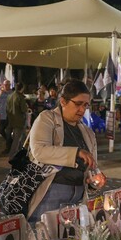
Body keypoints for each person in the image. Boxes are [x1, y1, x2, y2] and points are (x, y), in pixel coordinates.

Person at [24, 79, 98, 223]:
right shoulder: (47, 118)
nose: (82, 110)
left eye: (85, 105)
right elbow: (39, 151)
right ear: (63, 101)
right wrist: (76, 152)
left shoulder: (88, 132)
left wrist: (93, 181)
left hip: (78, 197)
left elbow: (92, 166)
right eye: (78, 104)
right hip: (50, 193)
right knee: (43, 237)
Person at [6, 82, 29, 156]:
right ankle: (13, 154)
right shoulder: (20, 97)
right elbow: (23, 109)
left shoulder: (9, 96)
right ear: (22, 88)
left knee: (22, 137)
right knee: (17, 139)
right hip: (20, 121)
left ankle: (21, 152)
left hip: (11, 120)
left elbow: (7, 109)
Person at [0, 80, 12, 153]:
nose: (6, 86)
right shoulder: (1, 93)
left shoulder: (12, 93)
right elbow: (0, 104)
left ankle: (8, 148)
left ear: (10, 85)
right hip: (2, 114)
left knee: (8, 132)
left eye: (7, 85)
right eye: (5, 85)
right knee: (1, 130)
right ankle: (10, 142)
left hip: (10, 115)